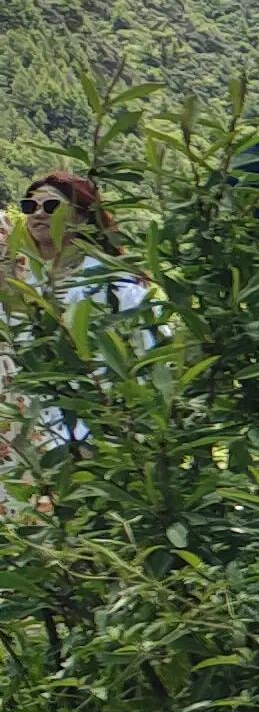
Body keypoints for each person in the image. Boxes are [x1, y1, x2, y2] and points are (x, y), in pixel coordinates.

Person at [3, 167, 153, 481]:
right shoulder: (22, 282)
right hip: (21, 435)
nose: (39, 214)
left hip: (89, 436)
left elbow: (150, 362)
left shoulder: (115, 285)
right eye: (31, 206)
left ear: (83, 217)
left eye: (52, 206)